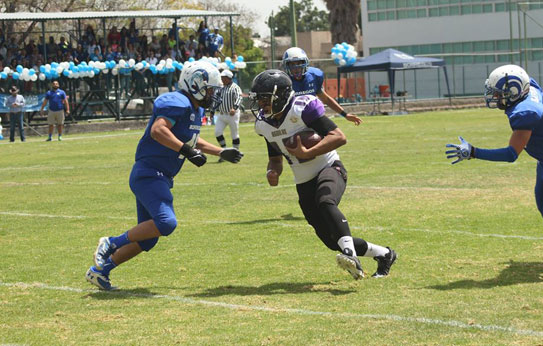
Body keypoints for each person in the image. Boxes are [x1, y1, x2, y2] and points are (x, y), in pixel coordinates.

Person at [86, 61, 244, 290]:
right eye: (210, 89)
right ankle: (110, 242)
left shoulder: (194, 108)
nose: (213, 94)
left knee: (148, 238)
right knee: (166, 222)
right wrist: (188, 152)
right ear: (195, 84)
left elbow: (189, 138)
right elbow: (159, 130)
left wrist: (220, 151)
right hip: (149, 173)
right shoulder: (177, 102)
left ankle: (100, 272)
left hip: (159, 176)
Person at [250, 69, 396, 280]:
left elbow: (338, 136)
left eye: (264, 99)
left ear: (280, 95)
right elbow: (275, 158)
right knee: (330, 240)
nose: (261, 105)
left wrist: (308, 152)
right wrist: (272, 171)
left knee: (325, 201)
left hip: (329, 166)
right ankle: (384, 254)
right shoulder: (263, 124)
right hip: (302, 180)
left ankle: (350, 255)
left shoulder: (302, 108)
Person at [446, 64, 543, 245]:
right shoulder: (531, 91)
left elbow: (511, 154)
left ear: (514, 91)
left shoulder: (526, 113)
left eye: (498, 93)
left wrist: (474, 152)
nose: (495, 97)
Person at [282, 47, 362, 126]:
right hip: (293, 120)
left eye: (299, 63)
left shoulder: (314, 75)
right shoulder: (283, 81)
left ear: (305, 63)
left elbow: (325, 99)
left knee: (339, 136)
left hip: (312, 116)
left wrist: (345, 114)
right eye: (292, 64)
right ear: (286, 65)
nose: (296, 68)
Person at [214, 70, 242, 162]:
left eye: (223, 78)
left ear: (229, 78)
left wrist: (234, 107)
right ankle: (225, 152)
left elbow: (239, 98)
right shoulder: (220, 88)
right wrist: (212, 110)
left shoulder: (235, 87)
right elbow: (216, 100)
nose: (222, 79)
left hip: (232, 115)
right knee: (217, 132)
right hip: (222, 114)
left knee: (234, 134)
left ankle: (236, 153)